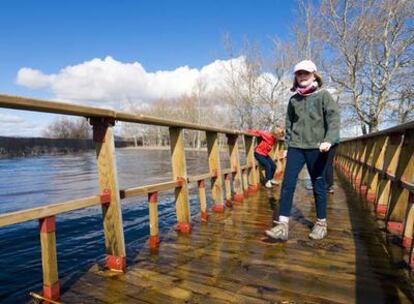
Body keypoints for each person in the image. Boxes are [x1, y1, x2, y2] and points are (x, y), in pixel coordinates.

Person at [265, 60, 340, 241]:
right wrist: (288, 147)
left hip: (317, 147)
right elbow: (289, 126)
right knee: (287, 184)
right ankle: (282, 226)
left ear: (314, 75)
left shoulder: (324, 96)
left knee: (318, 184)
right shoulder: (294, 100)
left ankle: (321, 223)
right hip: (297, 147)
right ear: (295, 77)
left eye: (306, 73)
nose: (302, 76)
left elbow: (334, 119)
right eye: (299, 74)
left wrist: (328, 140)